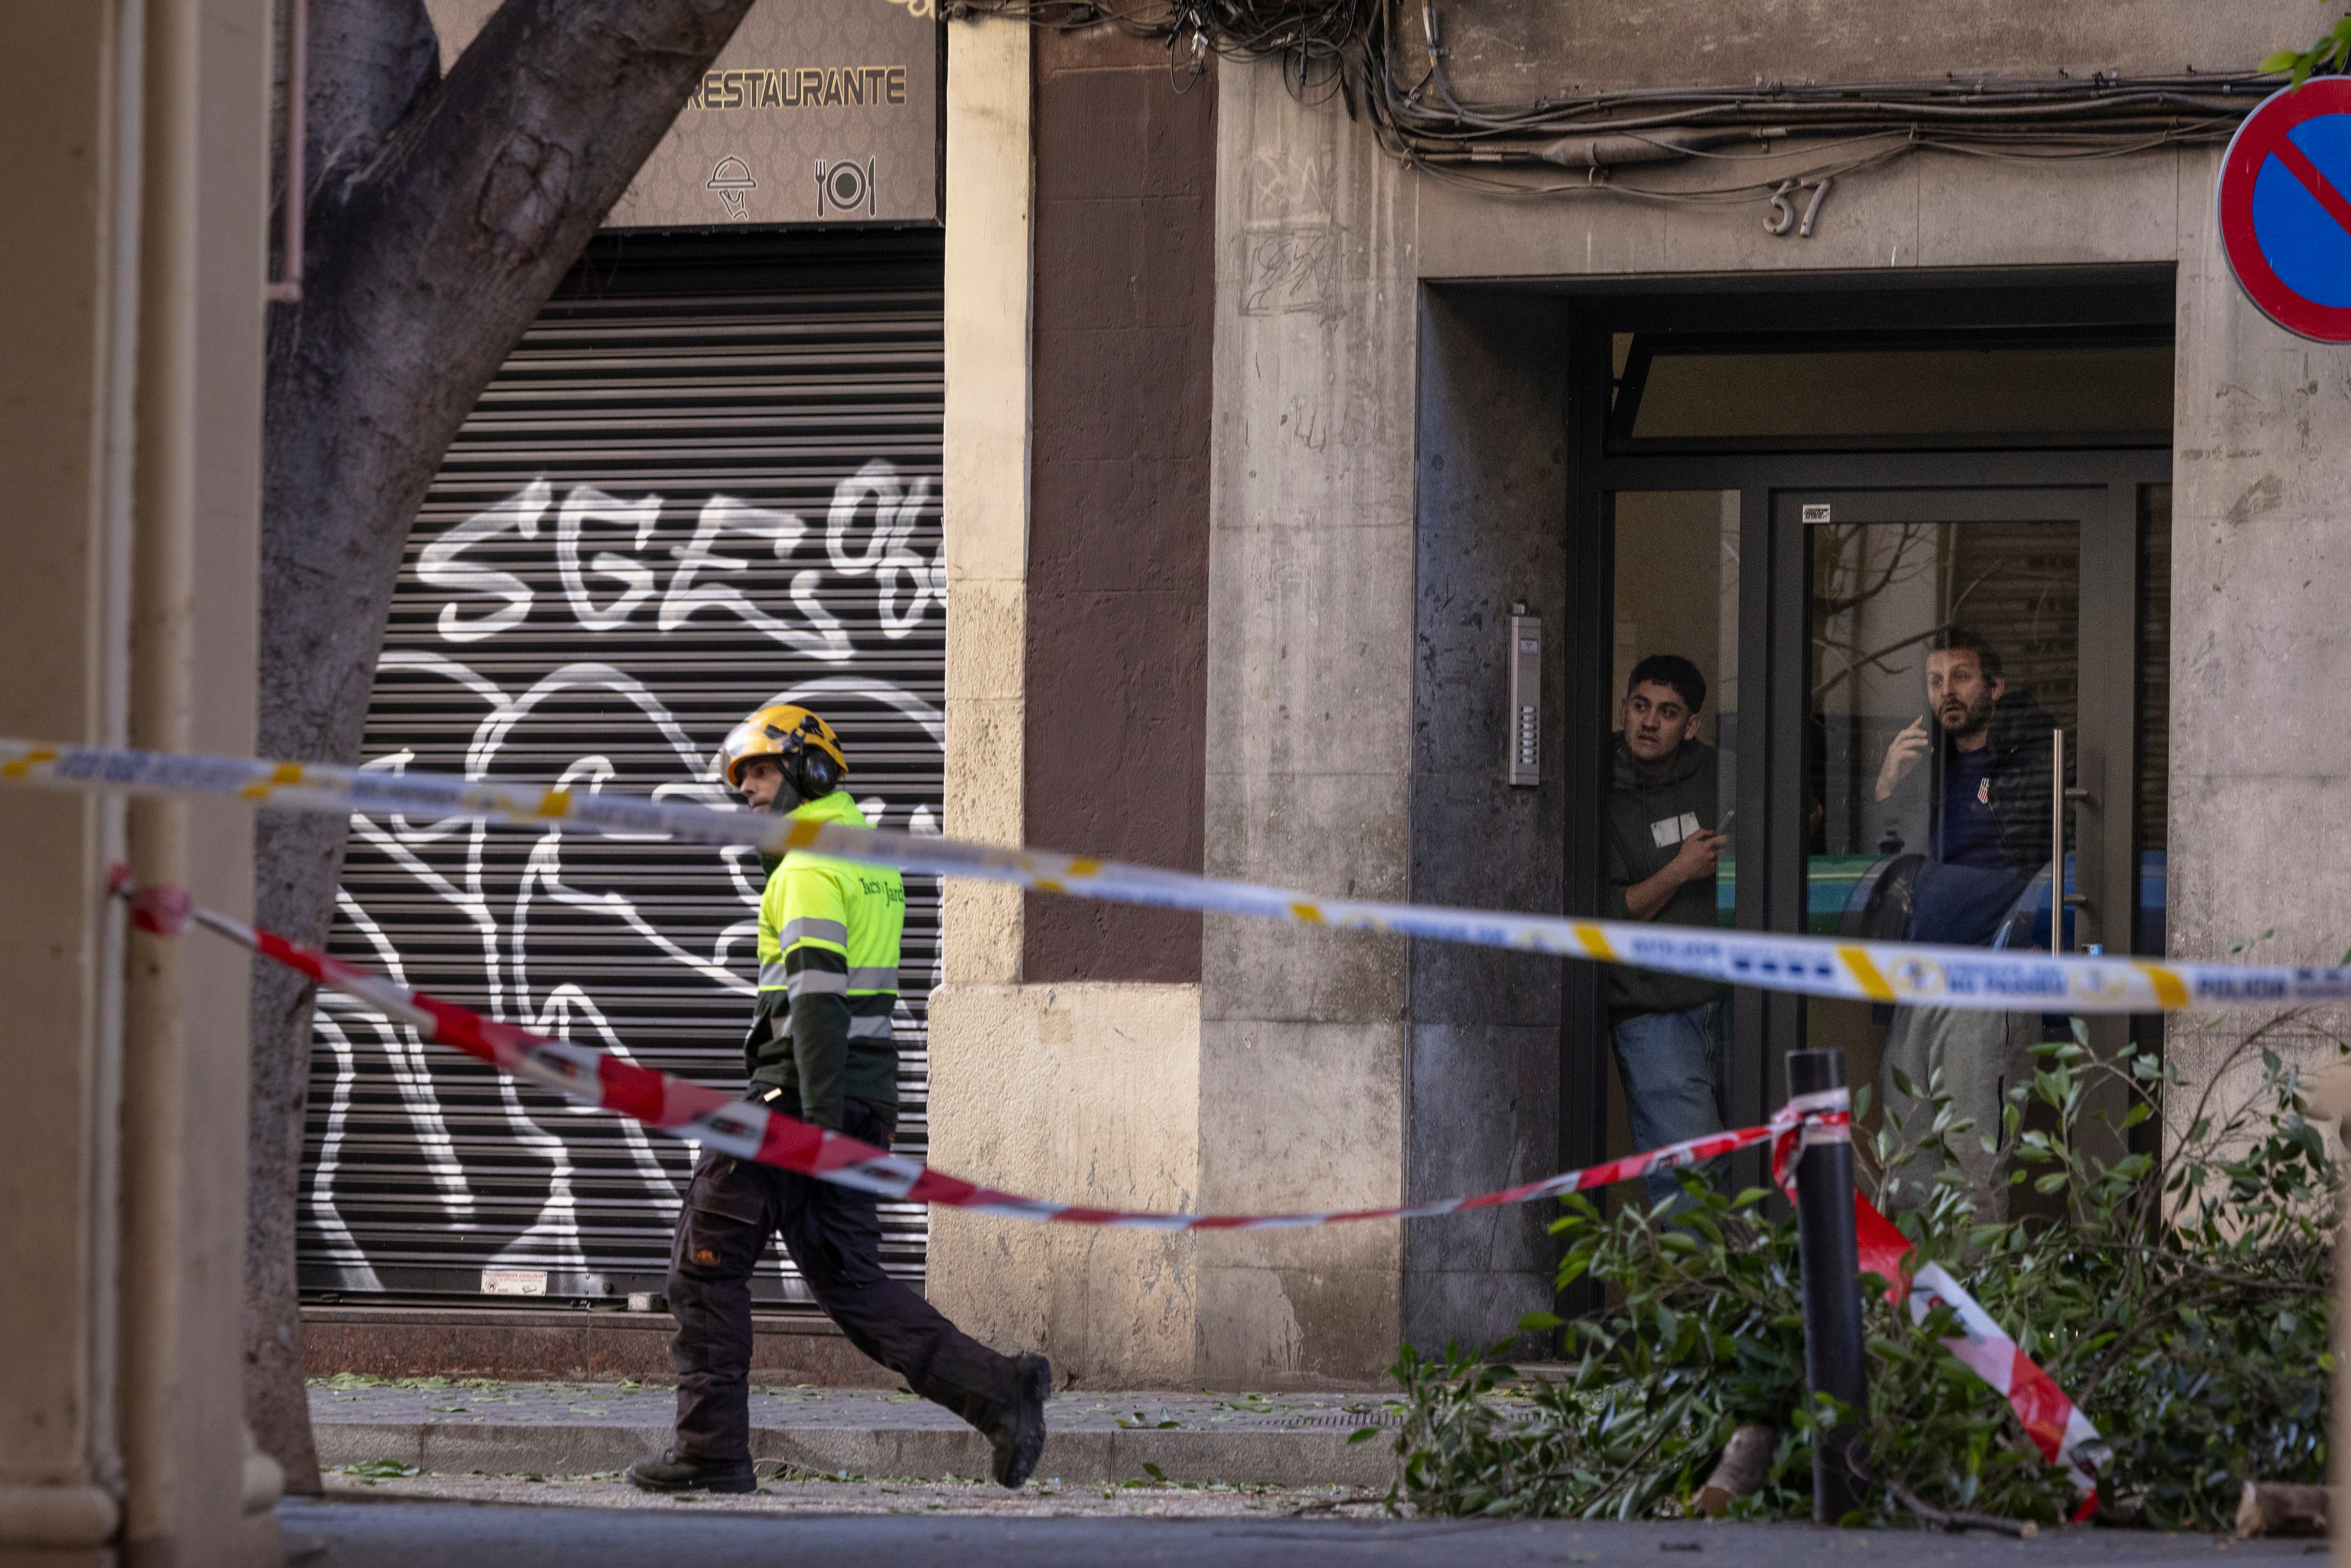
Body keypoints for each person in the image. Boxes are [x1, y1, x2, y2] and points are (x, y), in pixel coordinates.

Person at [629, 704, 1049, 1495]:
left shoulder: (812, 865)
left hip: (800, 1099)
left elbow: (818, 998)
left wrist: (812, 1127)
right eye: (742, 777)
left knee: (704, 1261)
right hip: (859, 1098)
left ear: (809, 771)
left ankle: (711, 1449)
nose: (748, 790)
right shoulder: (866, 859)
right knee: (854, 1284)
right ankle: (1002, 1391)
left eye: (760, 770)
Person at [1869, 629, 2058, 1206]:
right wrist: (1885, 788)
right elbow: (1882, 871)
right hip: (1916, 976)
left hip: (1985, 982)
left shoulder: (2031, 761)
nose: (1945, 691)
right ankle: (1917, 1295)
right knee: (1906, 1153)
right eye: (1934, 680)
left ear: (1995, 687)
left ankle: (1972, 1293)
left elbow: (2050, 868)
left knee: (1972, 1160)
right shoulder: (1923, 768)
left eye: (1961, 676)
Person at [1602, 654, 1729, 1207]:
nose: (1649, 722)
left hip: (1735, 1002)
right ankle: (1696, 1295)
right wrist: (1679, 871)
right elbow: (1607, 923)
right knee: (1690, 1185)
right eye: (1640, 706)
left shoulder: (1723, 774)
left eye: (1668, 712)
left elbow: (1804, 821)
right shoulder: (1597, 781)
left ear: (1693, 725)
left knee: (1754, 1174)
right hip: (1651, 1007)